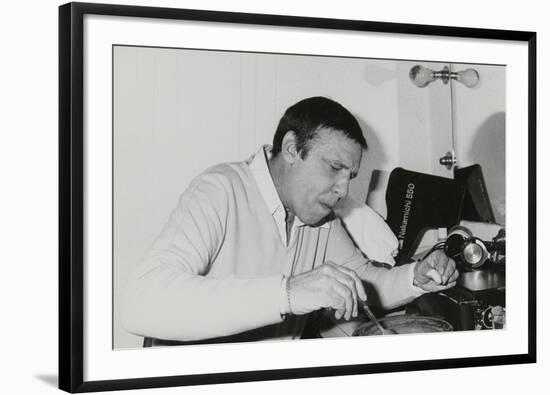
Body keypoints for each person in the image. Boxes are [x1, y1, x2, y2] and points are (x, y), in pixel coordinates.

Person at [121, 96, 458, 344]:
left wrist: (417, 277)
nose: (343, 189)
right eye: (335, 168)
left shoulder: (319, 217)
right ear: (292, 148)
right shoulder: (221, 188)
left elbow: (363, 281)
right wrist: (288, 293)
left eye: (350, 175)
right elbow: (140, 303)